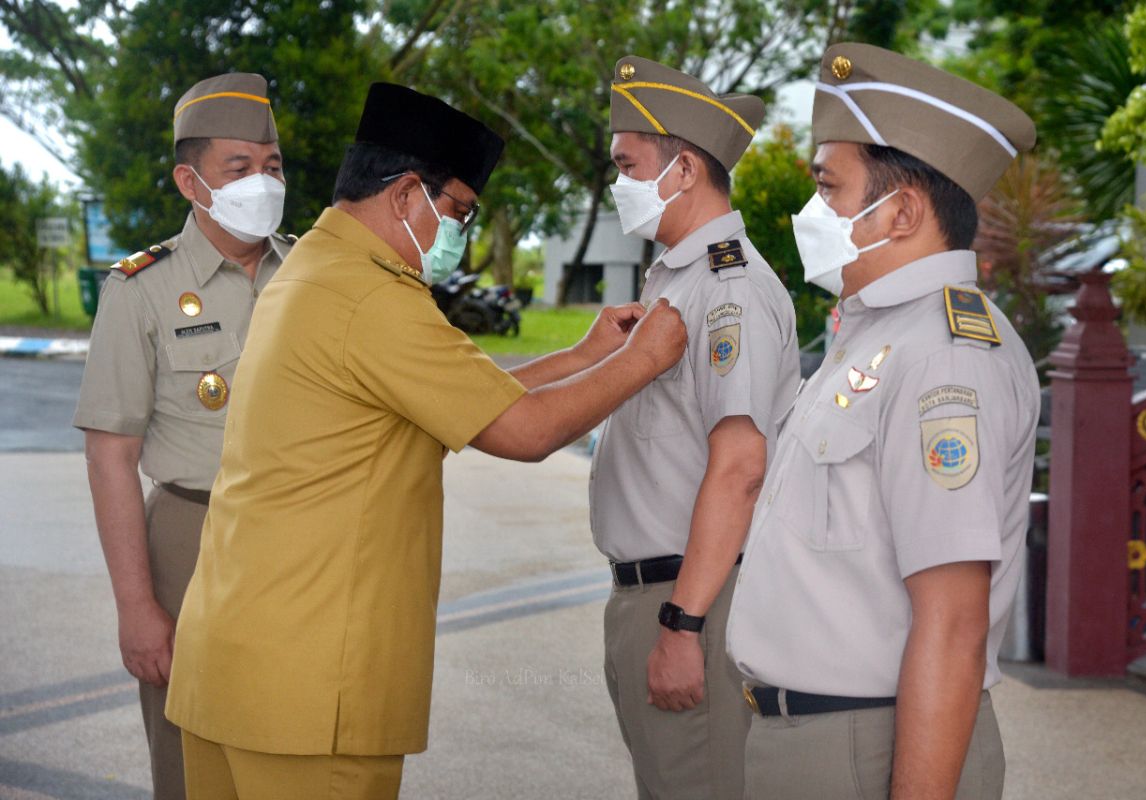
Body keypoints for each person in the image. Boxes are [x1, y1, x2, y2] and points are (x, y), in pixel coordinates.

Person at [163, 82, 687, 798]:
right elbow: (524, 432)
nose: (458, 234)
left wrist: (581, 356)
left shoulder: (315, 269)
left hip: (232, 668)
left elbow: (453, 395)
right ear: (407, 193)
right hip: (311, 693)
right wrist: (645, 359)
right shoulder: (374, 296)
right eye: (457, 212)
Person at [726, 42, 1040, 799]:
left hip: (869, 749)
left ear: (902, 211)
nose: (812, 213)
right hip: (816, 739)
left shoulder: (943, 358)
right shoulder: (877, 332)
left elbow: (954, 625)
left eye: (829, 189)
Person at [73, 72, 291, 800]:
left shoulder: (314, 274)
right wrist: (137, 607)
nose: (261, 182)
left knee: (294, 750)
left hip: (303, 542)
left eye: (273, 167)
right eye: (239, 168)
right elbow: (111, 453)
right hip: (190, 539)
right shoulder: (142, 288)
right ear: (190, 181)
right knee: (190, 761)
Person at [591, 56, 801, 799]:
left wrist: (682, 625)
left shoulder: (727, 287)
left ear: (682, 170)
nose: (616, 182)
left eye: (628, 165)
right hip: (660, 595)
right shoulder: (678, 275)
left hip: (693, 598)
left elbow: (741, 465)